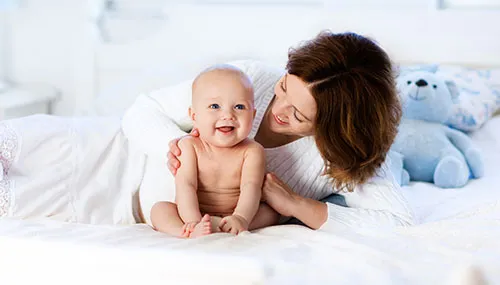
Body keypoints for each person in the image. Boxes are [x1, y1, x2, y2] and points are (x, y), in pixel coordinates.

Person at [124, 31, 415, 231]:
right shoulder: (251, 79)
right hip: (127, 180)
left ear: (335, 130)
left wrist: (296, 205)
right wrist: (175, 148)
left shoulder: (344, 157)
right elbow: (143, 110)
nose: (279, 109)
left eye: (298, 114)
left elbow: (398, 221)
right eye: (284, 88)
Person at [150, 65, 278, 238]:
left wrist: (241, 218)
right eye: (215, 106)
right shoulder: (189, 146)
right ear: (193, 116)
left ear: (253, 115)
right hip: (193, 213)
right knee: (160, 210)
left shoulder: (252, 151)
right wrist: (193, 221)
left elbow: (251, 188)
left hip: (234, 214)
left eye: (239, 107)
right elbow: (186, 186)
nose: (228, 115)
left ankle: (229, 225)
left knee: (270, 212)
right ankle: (183, 231)